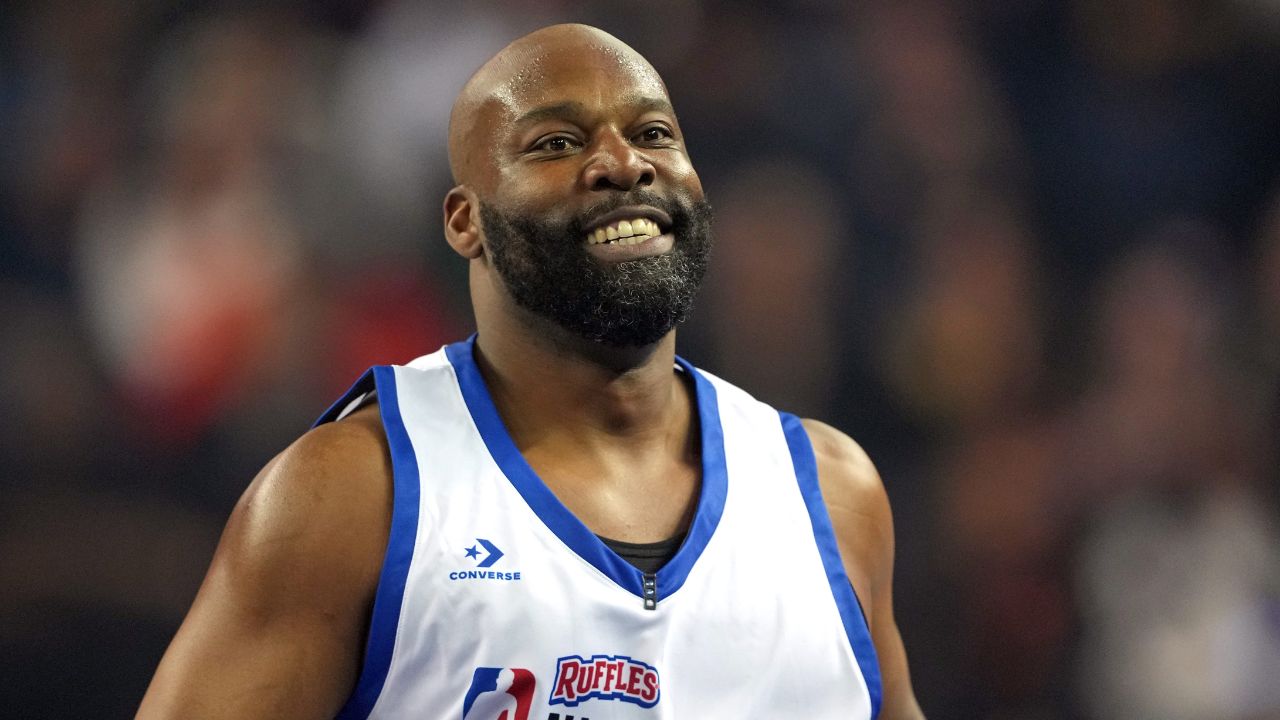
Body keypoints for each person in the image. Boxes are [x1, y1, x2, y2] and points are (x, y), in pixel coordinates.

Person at [137, 24, 924, 720]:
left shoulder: (830, 492)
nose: (622, 163)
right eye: (556, 142)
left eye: (653, 133)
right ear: (464, 220)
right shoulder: (351, 496)